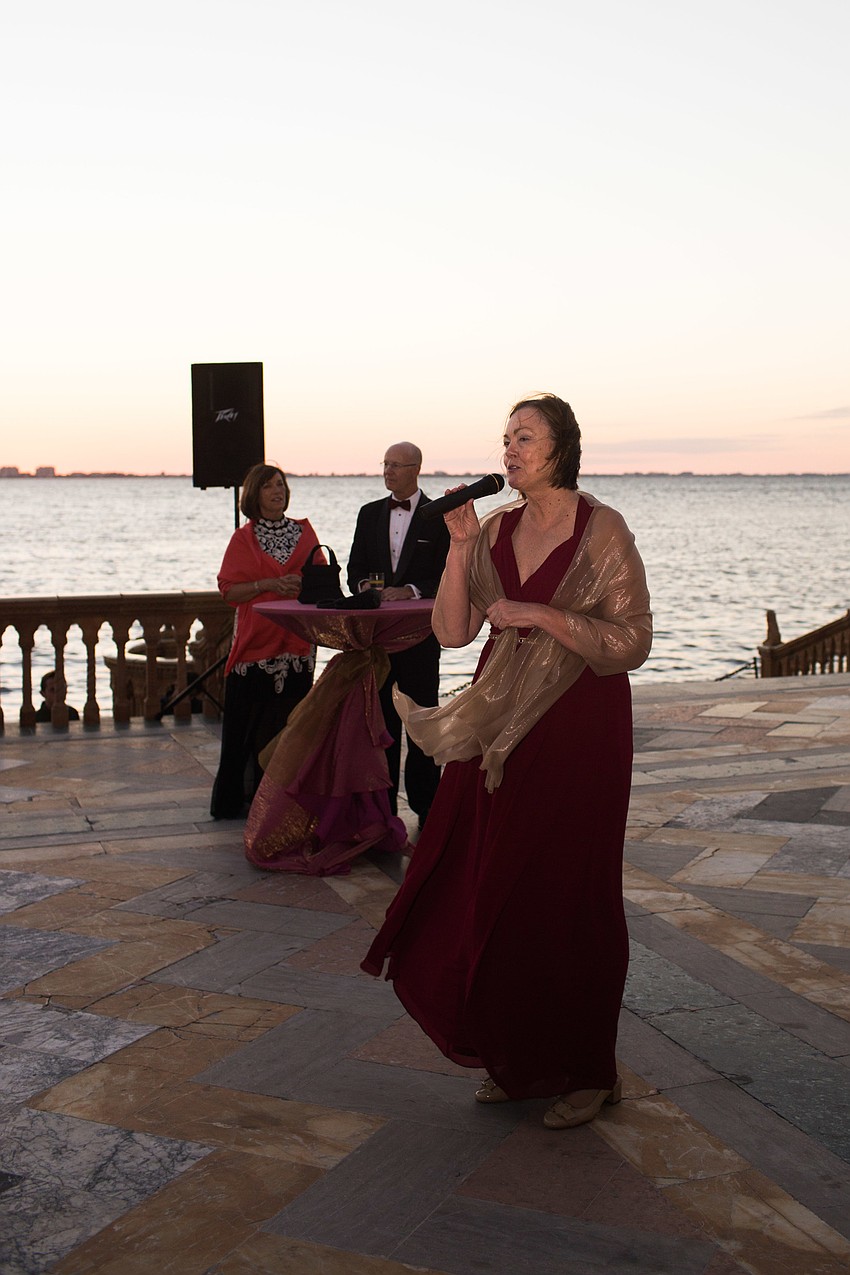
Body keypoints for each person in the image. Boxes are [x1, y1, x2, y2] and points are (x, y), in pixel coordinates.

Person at [362, 395, 652, 1130]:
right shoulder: (493, 527)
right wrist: (460, 549)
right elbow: (454, 630)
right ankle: (514, 1053)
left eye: (525, 437)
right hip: (497, 728)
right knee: (489, 882)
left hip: (580, 724)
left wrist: (543, 615)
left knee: (569, 889)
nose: (510, 449)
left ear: (562, 447)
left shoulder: (603, 528)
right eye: (506, 437)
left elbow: (633, 641)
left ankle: (589, 1069)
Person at [347, 442, 450, 829]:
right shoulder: (369, 513)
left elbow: (446, 574)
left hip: (422, 637)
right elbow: (355, 565)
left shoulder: (437, 516)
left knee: (422, 724)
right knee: (381, 728)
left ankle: (428, 809)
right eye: (385, 464)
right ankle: (381, 812)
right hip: (378, 639)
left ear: (416, 468)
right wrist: (365, 589)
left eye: (396, 465)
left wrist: (410, 591)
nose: (388, 471)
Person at [210, 463, 322, 819]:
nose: (278, 491)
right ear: (254, 494)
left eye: (281, 485)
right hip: (253, 648)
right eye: (270, 486)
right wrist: (268, 585)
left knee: (290, 731)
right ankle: (236, 802)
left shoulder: (305, 533)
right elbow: (229, 590)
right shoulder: (243, 539)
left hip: (296, 646)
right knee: (243, 731)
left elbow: (322, 580)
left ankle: (282, 802)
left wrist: (301, 584)